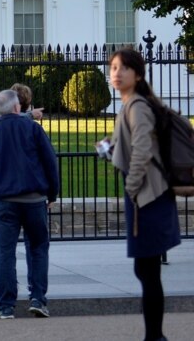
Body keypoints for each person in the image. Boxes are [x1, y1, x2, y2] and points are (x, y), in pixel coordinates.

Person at [105, 47, 180, 341]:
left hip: (147, 198)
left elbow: (143, 150)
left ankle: (155, 336)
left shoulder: (136, 105)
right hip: (146, 197)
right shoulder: (131, 105)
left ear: (138, 74)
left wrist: (132, 186)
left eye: (123, 68)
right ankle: (155, 335)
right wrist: (112, 147)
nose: (117, 73)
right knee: (146, 270)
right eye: (113, 67)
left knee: (148, 272)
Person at [0, 88, 59, 320]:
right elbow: (50, 161)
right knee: (38, 248)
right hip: (34, 198)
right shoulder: (32, 128)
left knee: (6, 252)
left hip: (5, 200)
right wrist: (52, 193)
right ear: (17, 107)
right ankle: (38, 297)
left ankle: (7, 305)